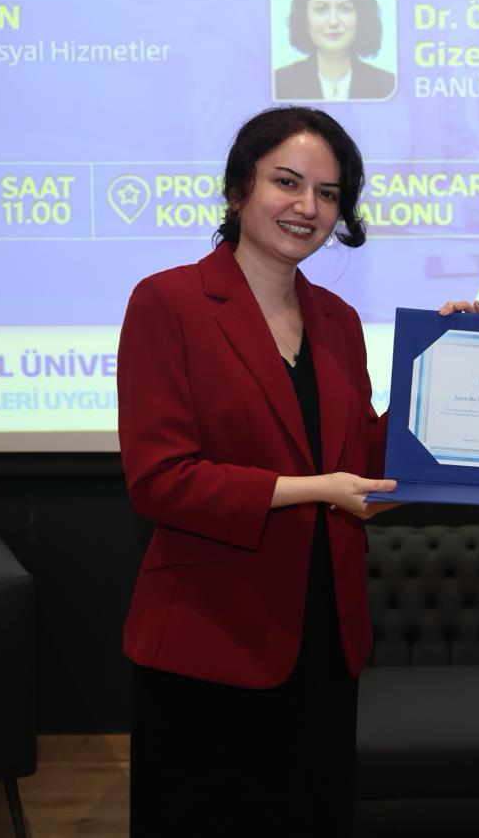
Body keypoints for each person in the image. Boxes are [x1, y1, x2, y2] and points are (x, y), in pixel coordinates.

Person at [117, 106, 397, 836]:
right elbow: (161, 479)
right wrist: (315, 490)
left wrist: (447, 370)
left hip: (325, 638)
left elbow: (364, 463)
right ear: (239, 188)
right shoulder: (168, 302)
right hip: (209, 641)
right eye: (287, 182)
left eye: (328, 193)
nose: (308, 206)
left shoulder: (339, 321)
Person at [275, 0, 395, 101]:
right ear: (304, 18)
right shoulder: (279, 85)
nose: (333, 22)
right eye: (321, 9)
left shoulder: (388, 87)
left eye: (345, 9)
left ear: (362, 17)